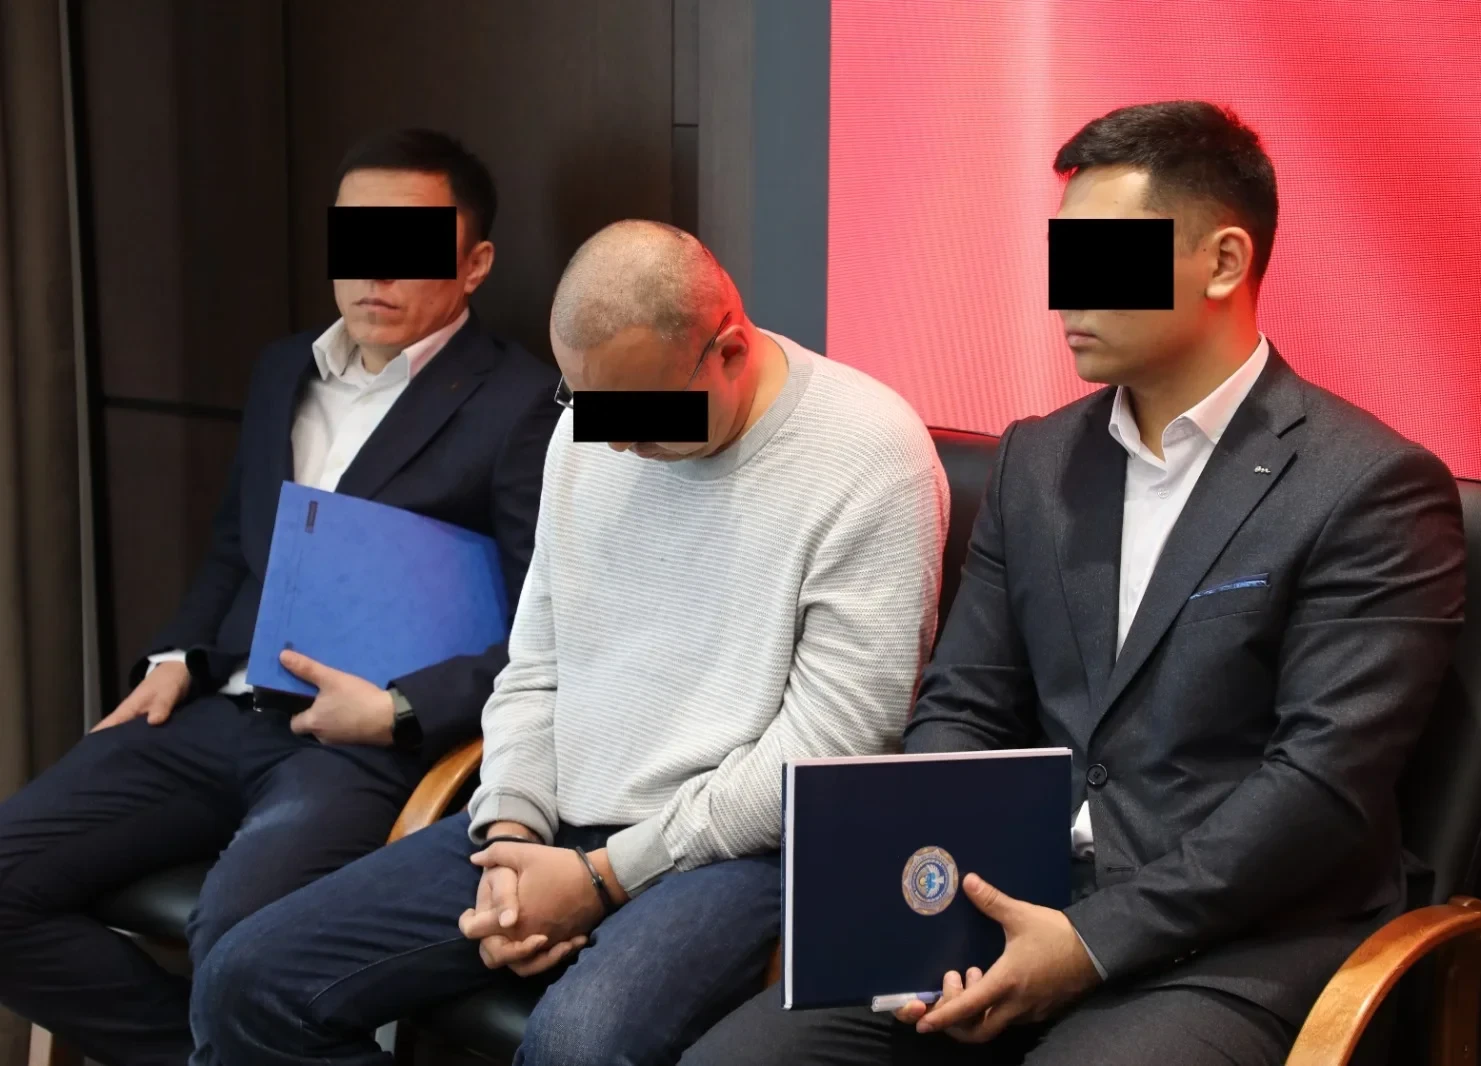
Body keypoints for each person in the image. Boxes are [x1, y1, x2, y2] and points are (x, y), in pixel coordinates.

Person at [685, 100, 1467, 1066]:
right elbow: (965, 704)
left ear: (1224, 262)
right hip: (1009, 899)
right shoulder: (1038, 462)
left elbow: (1319, 790)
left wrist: (1090, 943)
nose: (1065, 298)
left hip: (1235, 943)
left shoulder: (1368, 486)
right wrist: (929, 895)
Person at [188, 219, 951, 1066]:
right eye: (591, 408)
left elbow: (832, 747)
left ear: (729, 351)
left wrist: (603, 878)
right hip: (553, 824)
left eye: (642, 416)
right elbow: (537, 665)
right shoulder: (591, 432)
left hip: (741, 851)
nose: (616, 443)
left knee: (574, 1048)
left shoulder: (867, 454)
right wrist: (510, 832)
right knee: (246, 984)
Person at [0, 128, 563, 1066]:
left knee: (237, 941)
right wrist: (176, 656)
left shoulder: (523, 404)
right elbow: (235, 545)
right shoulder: (282, 368)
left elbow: (548, 629)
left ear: (475, 264)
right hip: (218, 711)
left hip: (361, 744)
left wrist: (401, 710)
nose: (375, 271)